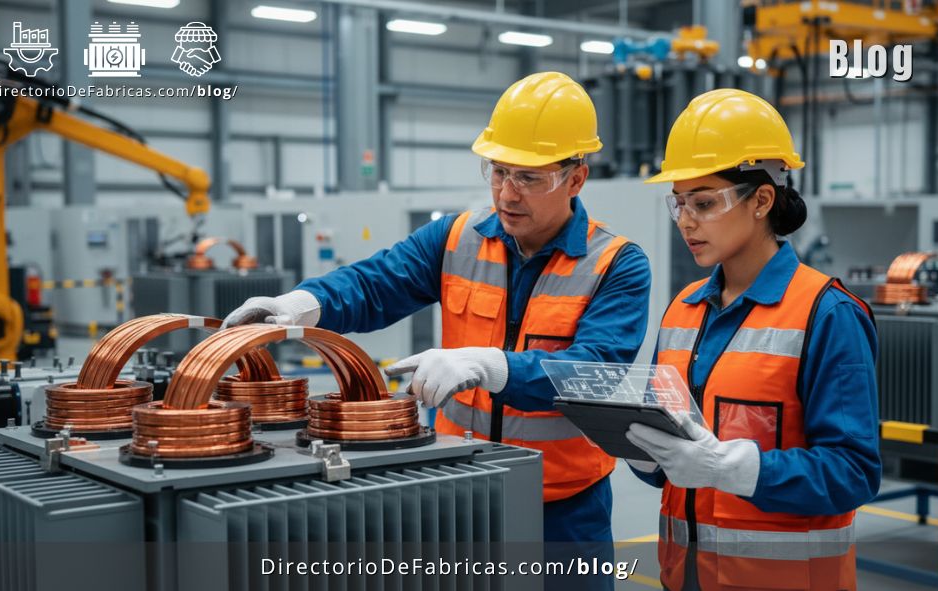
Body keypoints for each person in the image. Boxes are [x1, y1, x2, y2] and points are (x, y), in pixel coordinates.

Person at [223, 72, 652, 554]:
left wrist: (489, 367)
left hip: (563, 511)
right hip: (457, 489)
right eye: (498, 171)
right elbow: (375, 283)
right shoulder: (455, 239)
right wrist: (300, 305)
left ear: (576, 177)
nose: (508, 193)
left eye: (529, 178)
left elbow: (595, 371)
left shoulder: (616, 263)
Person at [626, 88, 880, 591]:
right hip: (685, 577)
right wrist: (636, 446)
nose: (686, 221)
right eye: (679, 204)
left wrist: (730, 468)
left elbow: (853, 471)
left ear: (762, 199)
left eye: (704, 202)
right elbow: (669, 468)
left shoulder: (826, 313)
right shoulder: (683, 310)